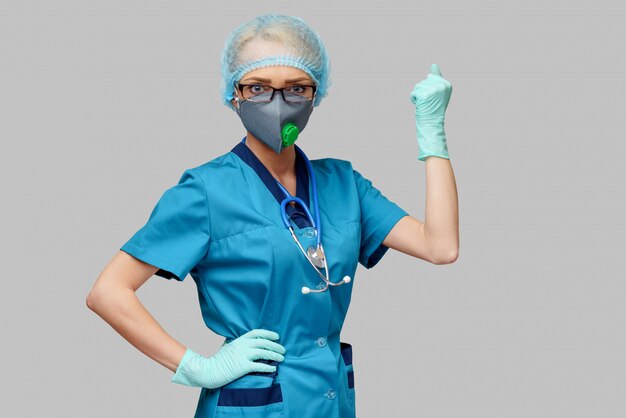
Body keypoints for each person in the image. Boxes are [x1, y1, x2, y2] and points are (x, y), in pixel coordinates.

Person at [86, 13, 458, 418]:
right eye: (258, 88)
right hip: (252, 404)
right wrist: (197, 367)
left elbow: (439, 246)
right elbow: (108, 292)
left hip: (328, 398)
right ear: (234, 94)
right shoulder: (206, 192)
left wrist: (432, 135)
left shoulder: (343, 183)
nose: (278, 104)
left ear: (316, 94)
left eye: (296, 88)